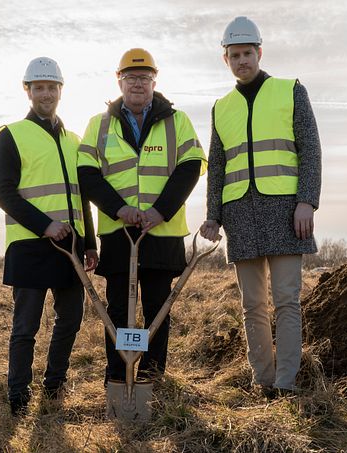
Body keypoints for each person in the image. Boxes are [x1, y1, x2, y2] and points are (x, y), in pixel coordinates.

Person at [200, 17, 322, 397]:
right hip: (240, 216)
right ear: (226, 59)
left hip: (287, 214)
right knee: (252, 305)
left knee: (287, 302)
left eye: (247, 53)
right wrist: (212, 216)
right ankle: (262, 382)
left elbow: (310, 150)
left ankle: (286, 384)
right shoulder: (221, 108)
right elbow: (217, 166)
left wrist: (307, 202)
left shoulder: (290, 91)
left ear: (259, 53)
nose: (242, 61)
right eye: (234, 55)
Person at [77, 48, 206, 385]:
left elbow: (191, 167)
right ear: (119, 81)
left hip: (161, 233)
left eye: (144, 77)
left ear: (154, 81)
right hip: (119, 234)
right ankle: (119, 376)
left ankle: (150, 377)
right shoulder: (99, 124)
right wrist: (119, 209)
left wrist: (159, 211)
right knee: (118, 311)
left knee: (157, 311)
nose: (137, 83)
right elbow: (87, 174)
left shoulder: (178, 122)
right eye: (131, 77)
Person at [0, 57, 98, 416]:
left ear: (60, 91)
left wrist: (90, 242)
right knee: (26, 327)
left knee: (71, 320)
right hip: (30, 245)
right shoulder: (11, 135)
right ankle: (18, 395)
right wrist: (45, 225)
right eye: (39, 87)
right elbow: (3, 192)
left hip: (70, 245)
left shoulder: (75, 140)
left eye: (52, 87)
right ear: (28, 91)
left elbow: (82, 196)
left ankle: (54, 385)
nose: (46, 94)